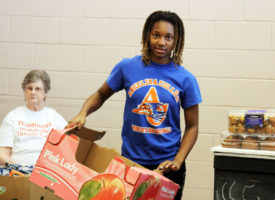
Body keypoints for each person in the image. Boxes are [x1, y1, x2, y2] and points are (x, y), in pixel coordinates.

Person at [67, 10, 202, 200]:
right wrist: (83, 113)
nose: (161, 42)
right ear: (147, 35)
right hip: (131, 162)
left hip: (168, 166)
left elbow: (193, 126)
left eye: (168, 37)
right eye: (156, 35)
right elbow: (100, 94)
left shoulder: (186, 78)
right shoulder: (127, 67)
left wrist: (178, 160)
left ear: (176, 41)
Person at [0, 70, 67, 166]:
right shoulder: (13, 117)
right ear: (24, 90)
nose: (33, 92)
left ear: (45, 92)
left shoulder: (55, 118)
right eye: (29, 88)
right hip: (18, 172)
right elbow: (2, 153)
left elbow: (67, 151)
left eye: (38, 89)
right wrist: (18, 167)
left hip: (47, 171)